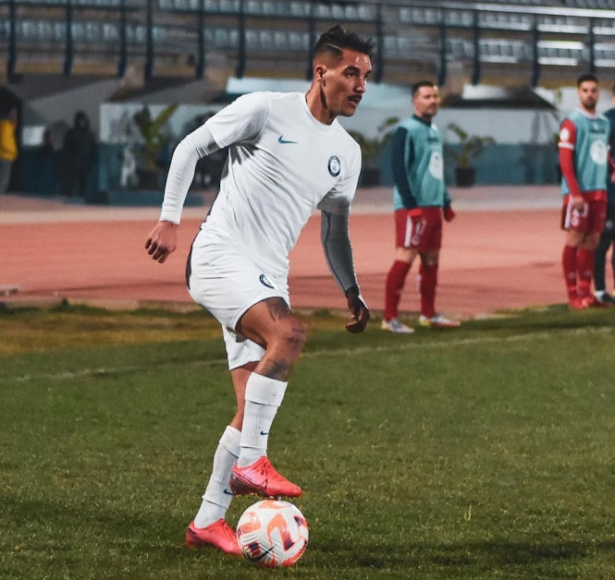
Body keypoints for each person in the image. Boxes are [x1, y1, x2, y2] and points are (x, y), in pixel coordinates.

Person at [145, 25, 372, 555]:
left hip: (267, 275)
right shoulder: (265, 110)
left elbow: (333, 230)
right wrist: (169, 220)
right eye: (351, 73)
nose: (360, 85)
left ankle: (207, 520)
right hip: (219, 255)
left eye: (365, 76)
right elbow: (190, 146)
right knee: (289, 335)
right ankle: (252, 463)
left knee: (249, 409)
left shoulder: (348, 153)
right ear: (322, 72)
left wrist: (352, 289)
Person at [382, 80, 460, 333]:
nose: (432, 101)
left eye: (435, 96)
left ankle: (429, 314)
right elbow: (398, 169)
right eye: (426, 96)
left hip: (433, 206)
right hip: (412, 207)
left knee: (431, 259)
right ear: (415, 101)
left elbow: (435, 169)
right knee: (405, 256)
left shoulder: (435, 130)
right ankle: (390, 318)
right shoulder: (406, 130)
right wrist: (411, 204)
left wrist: (445, 202)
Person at [559, 73, 612, 309]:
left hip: (599, 191)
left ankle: (586, 293)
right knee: (574, 239)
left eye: (593, 90)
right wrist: (574, 192)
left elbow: (603, 151)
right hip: (579, 192)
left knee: (592, 241)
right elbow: (565, 160)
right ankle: (572, 294)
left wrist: (612, 168)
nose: (590, 94)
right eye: (585, 90)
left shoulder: (604, 123)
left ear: (599, 93)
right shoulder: (572, 122)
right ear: (579, 93)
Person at [593, 84, 615, 305]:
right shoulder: (605, 122)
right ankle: (599, 290)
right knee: (603, 243)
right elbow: (599, 152)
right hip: (609, 194)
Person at [62, 110, 96, 198]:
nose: (82, 122)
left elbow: (93, 151)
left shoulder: (89, 135)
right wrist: (71, 164)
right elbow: (67, 151)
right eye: (80, 120)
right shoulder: (71, 134)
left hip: (85, 168)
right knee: (73, 190)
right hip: (73, 169)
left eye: (83, 120)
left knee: (83, 189)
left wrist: (90, 164)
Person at [0, 107, 18, 194]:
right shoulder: (6, 124)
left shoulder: (8, 124)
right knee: (4, 180)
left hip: (6, 156)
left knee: (4, 180)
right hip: (6, 156)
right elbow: (4, 141)